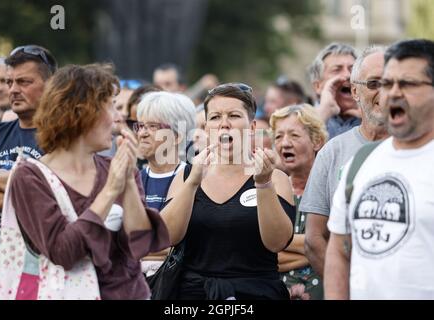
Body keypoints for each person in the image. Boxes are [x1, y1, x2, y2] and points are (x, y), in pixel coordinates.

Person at [0, 64, 169, 300]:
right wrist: (110, 190)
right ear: (81, 113)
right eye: (111, 108)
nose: (119, 120)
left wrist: (126, 181)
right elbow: (63, 252)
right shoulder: (30, 176)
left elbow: (140, 243)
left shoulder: (115, 168)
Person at [161, 83, 296, 300]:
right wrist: (192, 183)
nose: (224, 124)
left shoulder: (276, 178)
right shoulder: (186, 175)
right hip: (194, 295)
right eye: (215, 117)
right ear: (206, 128)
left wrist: (263, 184)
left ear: (252, 127)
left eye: (233, 115)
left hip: (256, 294)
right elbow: (166, 236)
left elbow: (277, 242)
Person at [325, 39, 434, 299]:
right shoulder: (361, 162)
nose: (393, 93)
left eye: (407, 84)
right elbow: (339, 250)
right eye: (387, 83)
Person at [301, 46, 389, 280]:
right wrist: (345, 289)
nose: (384, 92)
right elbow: (314, 239)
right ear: (355, 92)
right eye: (373, 84)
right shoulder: (332, 151)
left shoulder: (423, 151)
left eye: (391, 83)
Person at [0, 45, 57, 300]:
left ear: (50, 86)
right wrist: (29, 189)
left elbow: (54, 199)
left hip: (43, 275)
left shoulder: (62, 138)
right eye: (9, 81)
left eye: (23, 82)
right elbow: (39, 192)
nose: (12, 89)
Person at [270, 104, 327, 300]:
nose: (285, 143)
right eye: (278, 136)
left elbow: (340, 248)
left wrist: (282, 245)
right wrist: (315, 248)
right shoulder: (269, 192)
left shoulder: (332, 189)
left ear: (317, 141)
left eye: (294, 135)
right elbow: (263, 255)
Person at [135, 91, 195, 276]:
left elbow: (189, 247)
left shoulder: (194, 178)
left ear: (177, 136)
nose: (143, 133)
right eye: (140, 126)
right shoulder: (132, 178)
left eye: (153, 126)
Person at [308, 42, 361, 139]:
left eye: (352, 69)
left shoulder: (376, 116)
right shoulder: (298, 117)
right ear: (318, 86)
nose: (348, 75)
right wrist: (323, 114)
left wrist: (371, 122)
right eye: (337, 70)